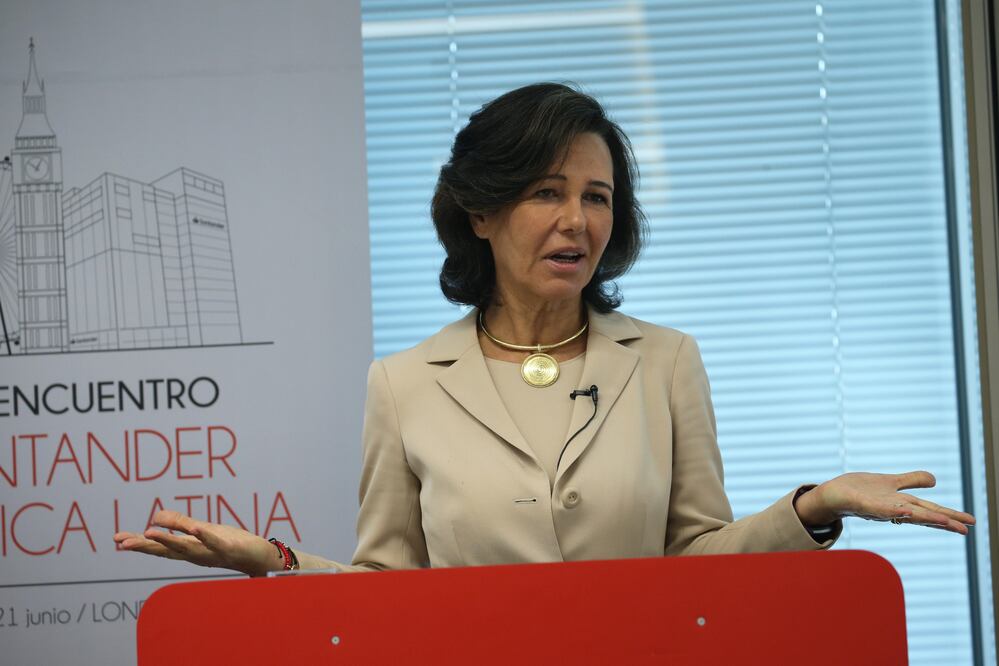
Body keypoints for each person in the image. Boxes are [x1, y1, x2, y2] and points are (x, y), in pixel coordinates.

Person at [114, 83, 975, 576]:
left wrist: (811, 507)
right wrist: (269, 558)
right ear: (482, 213)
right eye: (546, 192)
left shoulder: (666, 362)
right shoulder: (404, 385)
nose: (575, 221)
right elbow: (387, 591)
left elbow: (700, 558)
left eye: (595, 197)